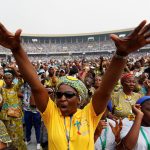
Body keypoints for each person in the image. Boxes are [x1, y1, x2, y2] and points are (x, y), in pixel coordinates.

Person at [0, 20, 150, 150]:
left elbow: (104, 91)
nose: (62, 98)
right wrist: (16, 48)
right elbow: (36, 86)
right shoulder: (51, 114)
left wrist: (121, 55)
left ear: (79, 99)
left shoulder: (89, 114)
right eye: (59, 94)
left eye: (69, 95)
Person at [0, 71, 26, 149]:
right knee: (10, 135)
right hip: (6, 116)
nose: (8, 80)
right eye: (6, 78)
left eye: (10, 78)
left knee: (19, 134)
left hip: (16, 115)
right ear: (3, 79)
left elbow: (21, 81)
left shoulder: (15, 87)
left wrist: (17, 73)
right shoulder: (2, 89)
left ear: (12, 79)